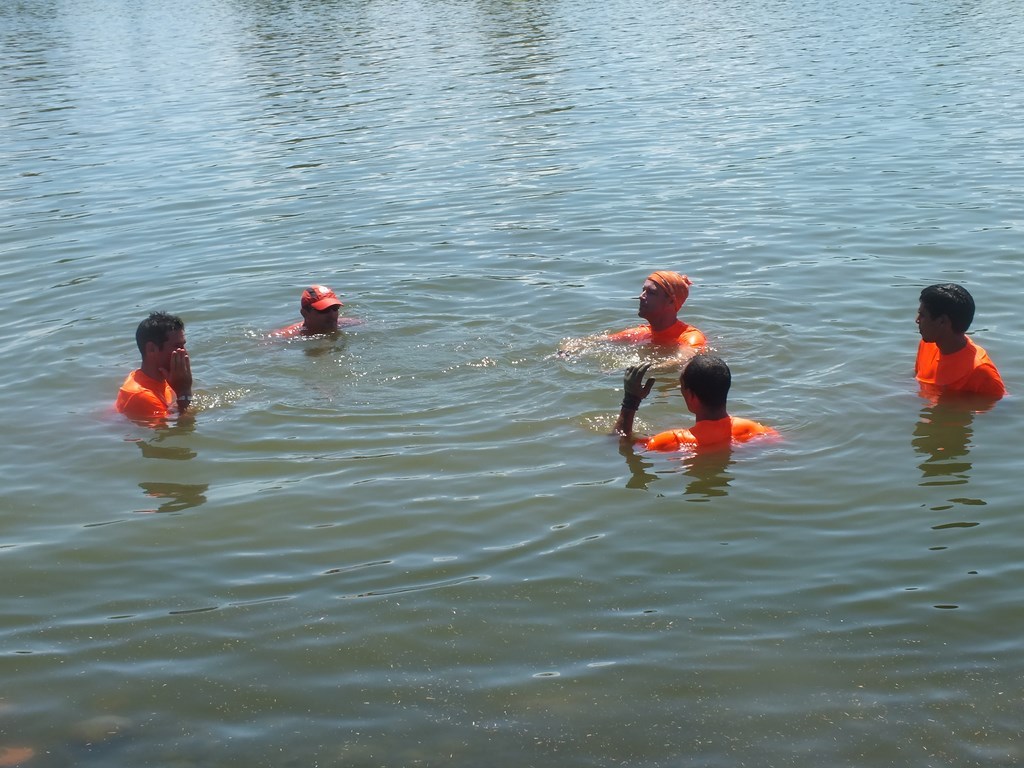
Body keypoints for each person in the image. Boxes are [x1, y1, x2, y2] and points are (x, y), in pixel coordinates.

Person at [613, 353, 776, 451]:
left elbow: (620, 445)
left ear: (691, 396)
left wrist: (631, 401)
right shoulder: (756, 430)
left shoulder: (672, 441)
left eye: (682, 387)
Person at [915, 283, 1005, 400]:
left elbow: (1002, 406)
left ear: (942, 321)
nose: (917, 320)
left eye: (922, 315)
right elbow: (917, 380)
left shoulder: (981, 372)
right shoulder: (927, 345)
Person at [115, 312, 193, 423]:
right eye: (177, 346)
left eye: (183, 345)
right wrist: (184, 392)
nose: (184, 352)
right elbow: (183, 429)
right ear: (151, 349)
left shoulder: (151, 378)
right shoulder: (142, 397)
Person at [606, 270, 706, 348]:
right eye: (643, 290)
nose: (641, 296)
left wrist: (654, 366)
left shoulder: (691, 337)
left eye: (651, 293)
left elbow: (687, 359)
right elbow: (598, 341)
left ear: (671, 301)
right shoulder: (639, 334)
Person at [271, 285, 360, 338]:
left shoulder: (348, 324)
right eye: (324, 310)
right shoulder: (287, 336)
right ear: (305, 313)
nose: (332, 314)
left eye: (335, 308)